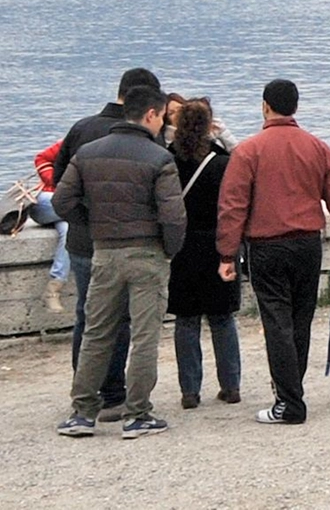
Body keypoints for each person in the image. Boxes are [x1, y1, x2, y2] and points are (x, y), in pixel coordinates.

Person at [217, 79, 330, 424]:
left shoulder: (248, 151)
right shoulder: (317, 147)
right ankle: (293, 391)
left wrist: (226, 253)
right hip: (307, 243)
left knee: (276, 321)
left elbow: (233, 205)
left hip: (266, 246)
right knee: (300, 319)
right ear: (295, 107)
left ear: (265, 106)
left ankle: (289, 401)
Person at [53, 85, 186, 439]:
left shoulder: (87, 153)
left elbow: (61, 201)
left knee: (97, 332)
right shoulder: (159, 158)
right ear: (151, 115)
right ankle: (137, 413)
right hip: (147, 254)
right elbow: (173, 216)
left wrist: (92, 221)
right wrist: (169, 250)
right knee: (144, 336)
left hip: (105, 253)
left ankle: (82, 412)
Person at [167, 99, 242, 409]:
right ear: (209, 125)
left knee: (186, 321)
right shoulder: (222, 162)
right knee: (222, 319)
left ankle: (189, 391)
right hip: (218, 244)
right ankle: (231, 385)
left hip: (182, 246)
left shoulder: (167, 161)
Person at [31, 141, 70, 312]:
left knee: (69, 230)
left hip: (71, 210)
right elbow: (42, 159)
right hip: (48, 200)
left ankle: (54, 287)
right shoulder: (75, 139)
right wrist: (56, 181)